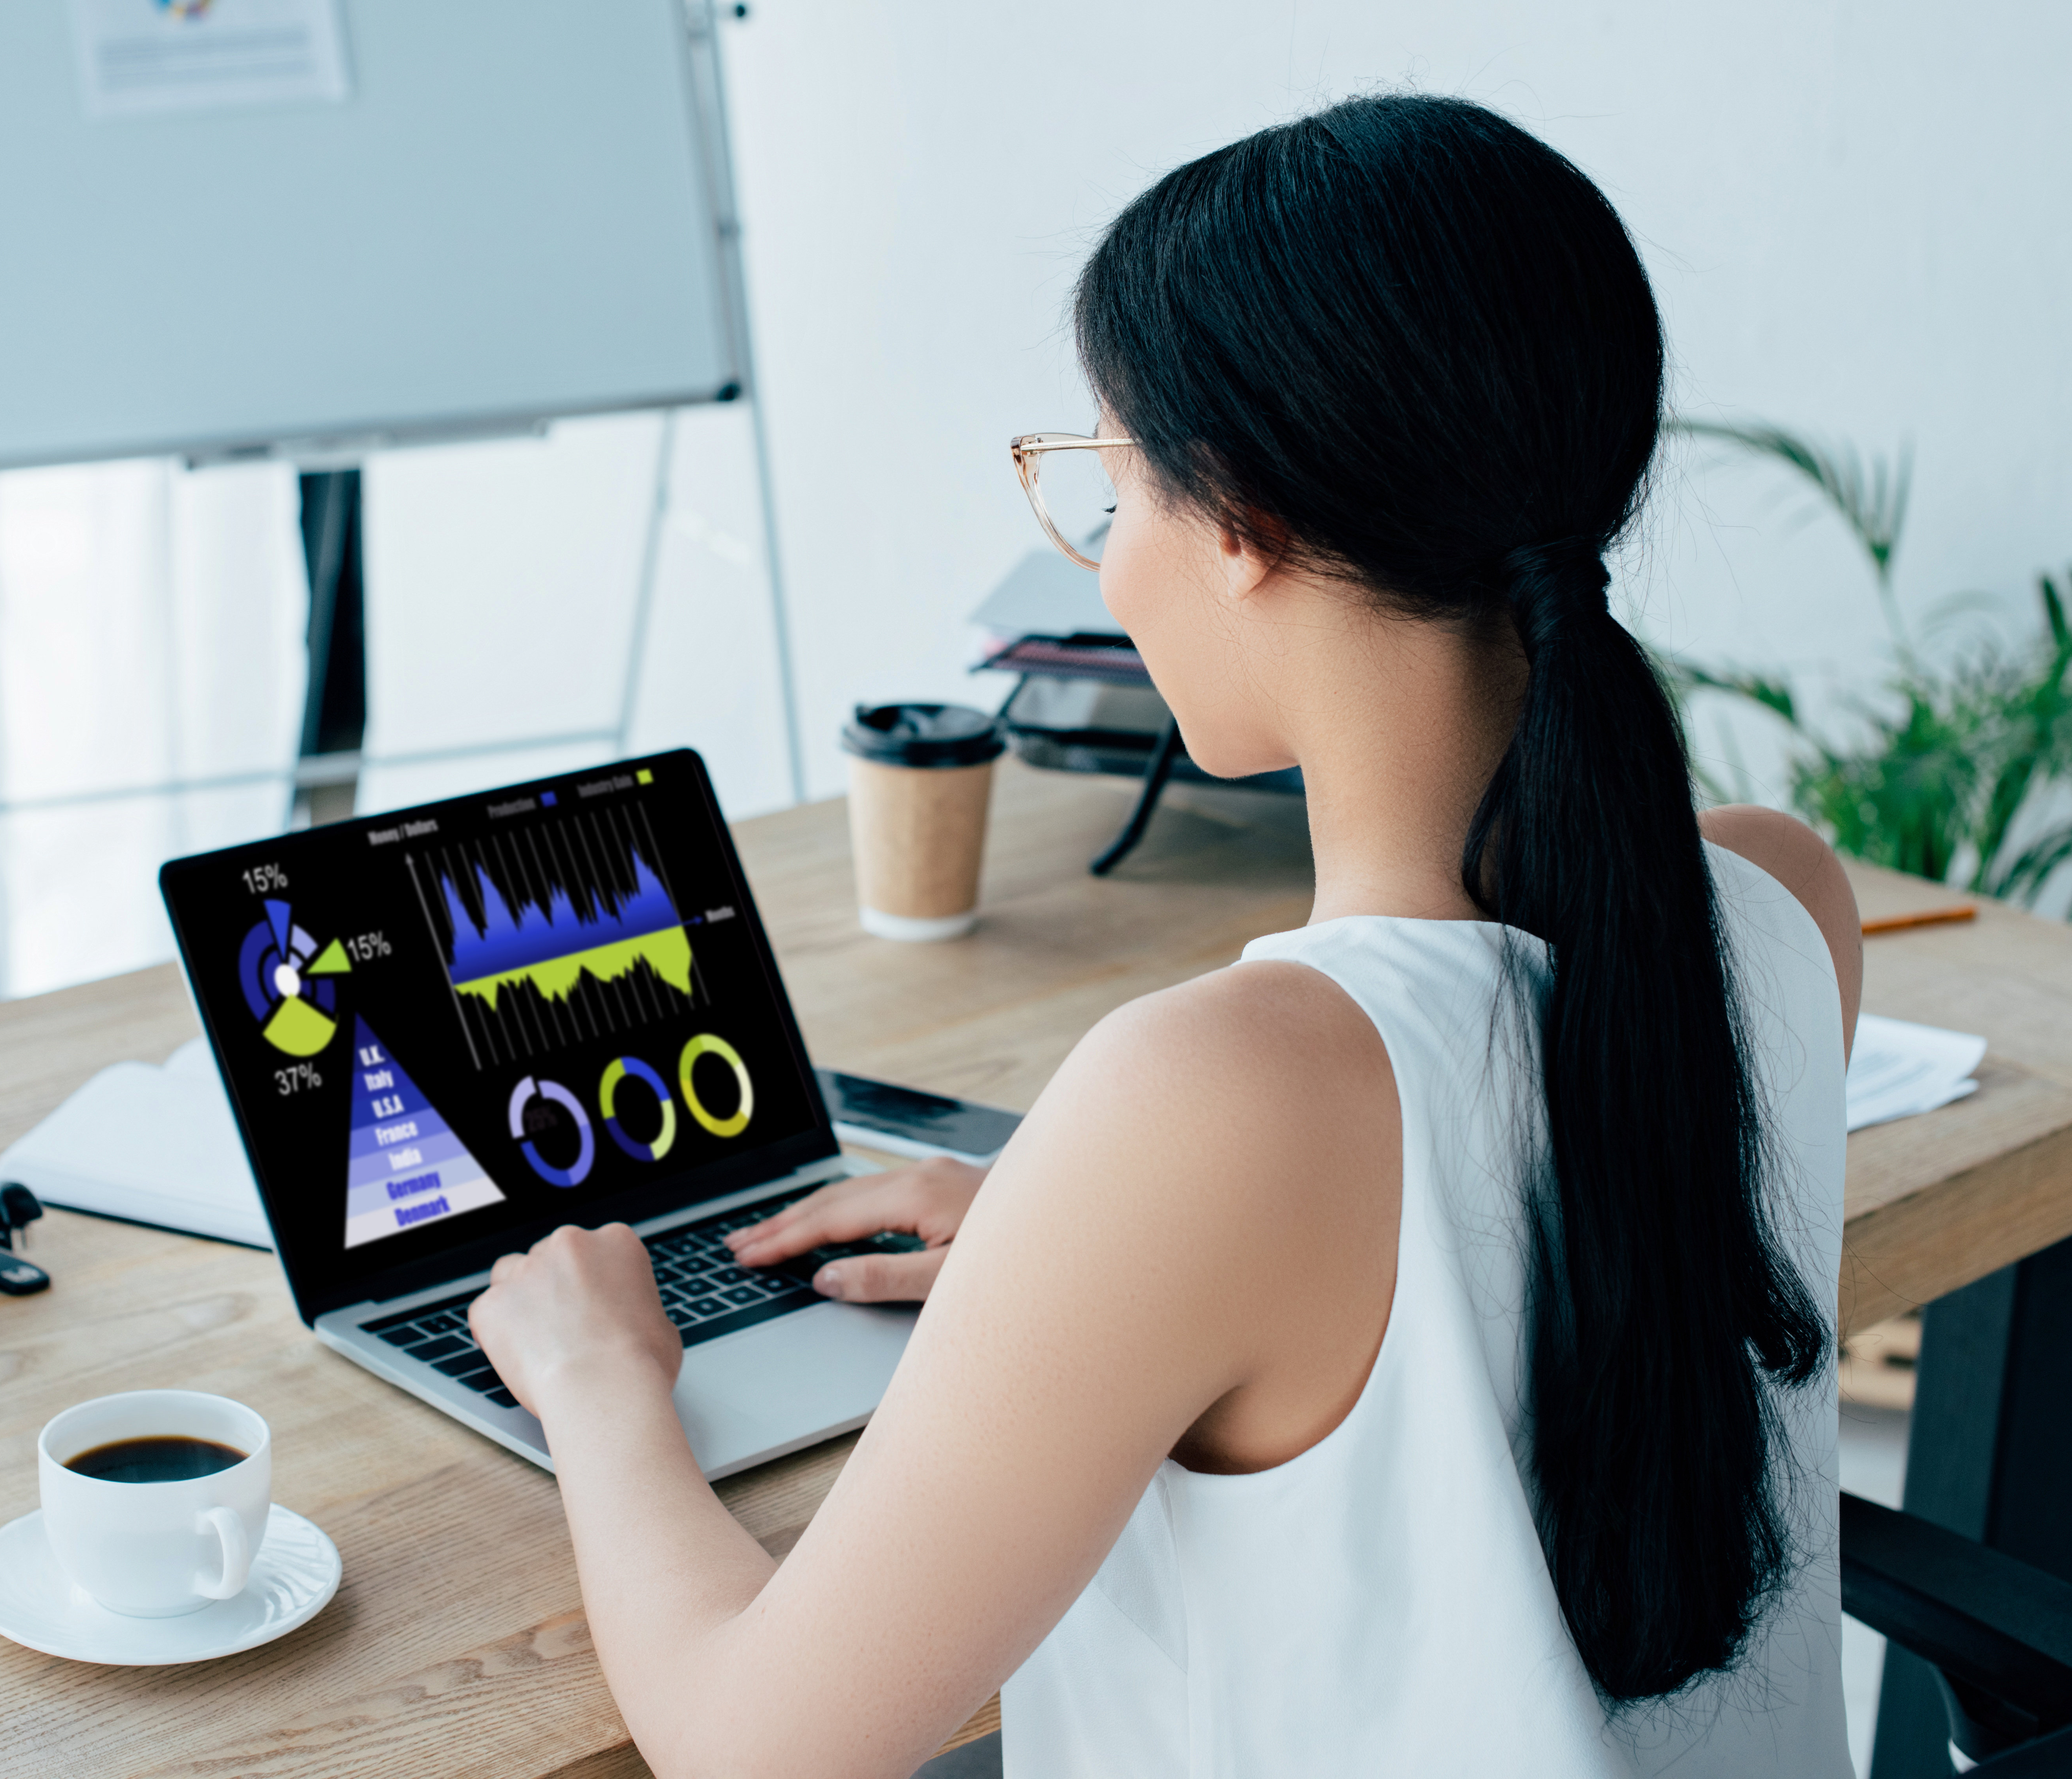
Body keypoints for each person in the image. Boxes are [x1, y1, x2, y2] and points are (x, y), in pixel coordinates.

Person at [469, 93, 1863, 1778]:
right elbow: (1482, 1242)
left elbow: (748, 1749)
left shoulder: (1221, 1092)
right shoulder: (1787, 904)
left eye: (1112, 483)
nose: (1105, 562)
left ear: (1242, 524)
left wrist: (603, 1381)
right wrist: (1088, 1253)